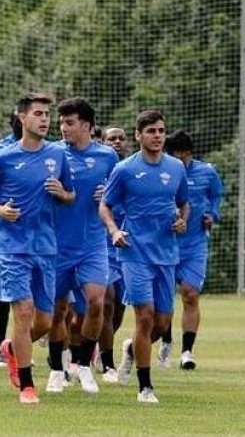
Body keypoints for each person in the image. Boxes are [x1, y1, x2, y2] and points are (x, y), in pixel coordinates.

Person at [0, 92, 75, 404]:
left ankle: (10, 348)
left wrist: (62, 192)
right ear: (22, 117)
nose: (44, 119)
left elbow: (71, 195)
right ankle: (27, 385)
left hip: (46, 247)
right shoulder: (3, 157)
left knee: (45, 322)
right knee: (23, 311)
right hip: (12, 247)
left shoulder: (58, 155)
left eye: (47, 114)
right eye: (38, 114)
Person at [100, 109, 188, 404]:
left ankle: (130, 349)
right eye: (151, 131)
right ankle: (145, 387)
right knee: (145, 318)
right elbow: (105, 206)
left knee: (162, 324)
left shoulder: (176, 168)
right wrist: (114, 231)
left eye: (161, 131)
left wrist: (182, 220)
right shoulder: (124, 169)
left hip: (166, 254)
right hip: (134, 253)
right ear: (138, 135)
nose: (157, 136)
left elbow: (183, 204)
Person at [47, 98, 119, 394]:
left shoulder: (108, 157)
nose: (63, 128)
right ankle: (56, 369)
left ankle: (85, 365)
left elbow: (117, 195)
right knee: (57, 309)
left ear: (87, 126)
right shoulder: (51, 154)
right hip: (55, 245)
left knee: (96, 302)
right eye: (61, 122)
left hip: (92, 244)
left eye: (70, 122)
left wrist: (108, 194)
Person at [159, 130, 223, 371]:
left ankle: (187, 351)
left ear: (186, 152)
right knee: (163, 299)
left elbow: (217, 195)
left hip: (195, 244)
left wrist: (212, 215)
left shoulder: (207, 172)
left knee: (190, 294)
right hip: (165, 243)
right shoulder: (163, 171)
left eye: (175, 153)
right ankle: (165, 340)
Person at [98, 124, 131, 381]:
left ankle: (101, 345)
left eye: (121, 139)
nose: (116, 143)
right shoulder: (97, 169)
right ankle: (107, 363)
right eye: (111, 139)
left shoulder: (132, 171)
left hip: (128, 248)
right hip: (101, 246)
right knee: (106, 302)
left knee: (118, 309)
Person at [0, 109, 20, 365]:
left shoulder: (51, 151)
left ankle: (13, 344)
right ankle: (1, 346)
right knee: (3, 295)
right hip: (4, 235)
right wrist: (0, 208)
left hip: (41, 239)